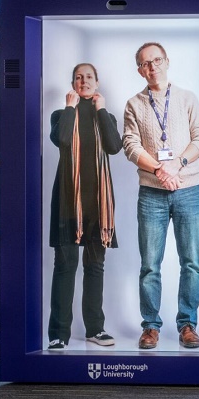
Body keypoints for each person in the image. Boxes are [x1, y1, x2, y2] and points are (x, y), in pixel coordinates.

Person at [122, 42, 199, 349]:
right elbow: (130, 146)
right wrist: (161, 169)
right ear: (140, 70)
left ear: (167, 61)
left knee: (191, 262)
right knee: (150, 264)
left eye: (157, 60)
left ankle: (187, 324)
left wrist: (177, 164)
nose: (152, 66)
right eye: (146, 63)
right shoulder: (134, 104)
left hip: (188, 191)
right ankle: (151, 326)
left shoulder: (187, 98)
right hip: (151, 194)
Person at [47, 62, 122, 350]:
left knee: (95, 267)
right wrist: (69, 107)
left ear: (97, 83)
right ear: (73, 84)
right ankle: (59, 334)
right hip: (68, 205)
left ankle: (95, 329)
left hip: (98, 207)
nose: (84, 81)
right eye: (78, 77)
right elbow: (62, 140)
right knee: (65, 267)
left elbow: (115, 147)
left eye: (89, 77)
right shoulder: (60, 115)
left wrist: (101, 110)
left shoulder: (106, 116)